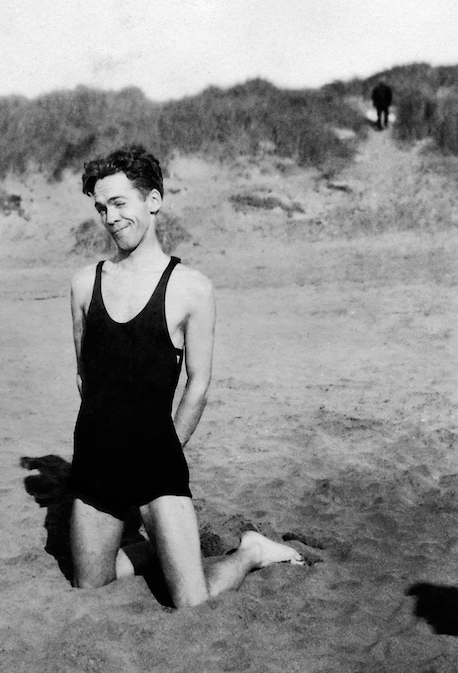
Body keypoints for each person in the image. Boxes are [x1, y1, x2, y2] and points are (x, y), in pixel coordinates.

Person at [68, 145, 304, 608]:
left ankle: (251, 551)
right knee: (90, 584)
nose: (110, 218)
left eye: (119, 203)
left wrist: (166, 447)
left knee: (192, 602)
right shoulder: (83, 284)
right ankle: (168, 552)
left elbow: (198, 383)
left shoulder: (192, 288)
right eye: (101, 208)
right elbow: (84, 376)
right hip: (96, 459)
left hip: (156, 461)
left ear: (153, 200)